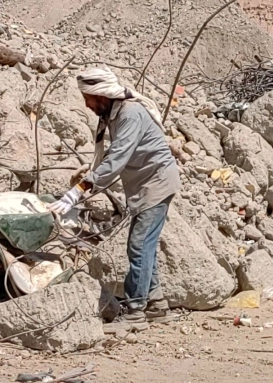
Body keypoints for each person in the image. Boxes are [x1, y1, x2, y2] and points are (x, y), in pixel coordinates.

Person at [48, 67, 181, 324]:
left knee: (139, 246)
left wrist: (81, 190)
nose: (86, 104)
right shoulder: (113, 114)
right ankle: (156, 303)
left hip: (156, 183)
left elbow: (117, 158)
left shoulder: (130, 114)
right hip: (145, 185)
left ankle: (135, 311)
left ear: (102, 95)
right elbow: (108, 157)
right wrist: (88, 176)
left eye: (88, 98)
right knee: (145, 245)